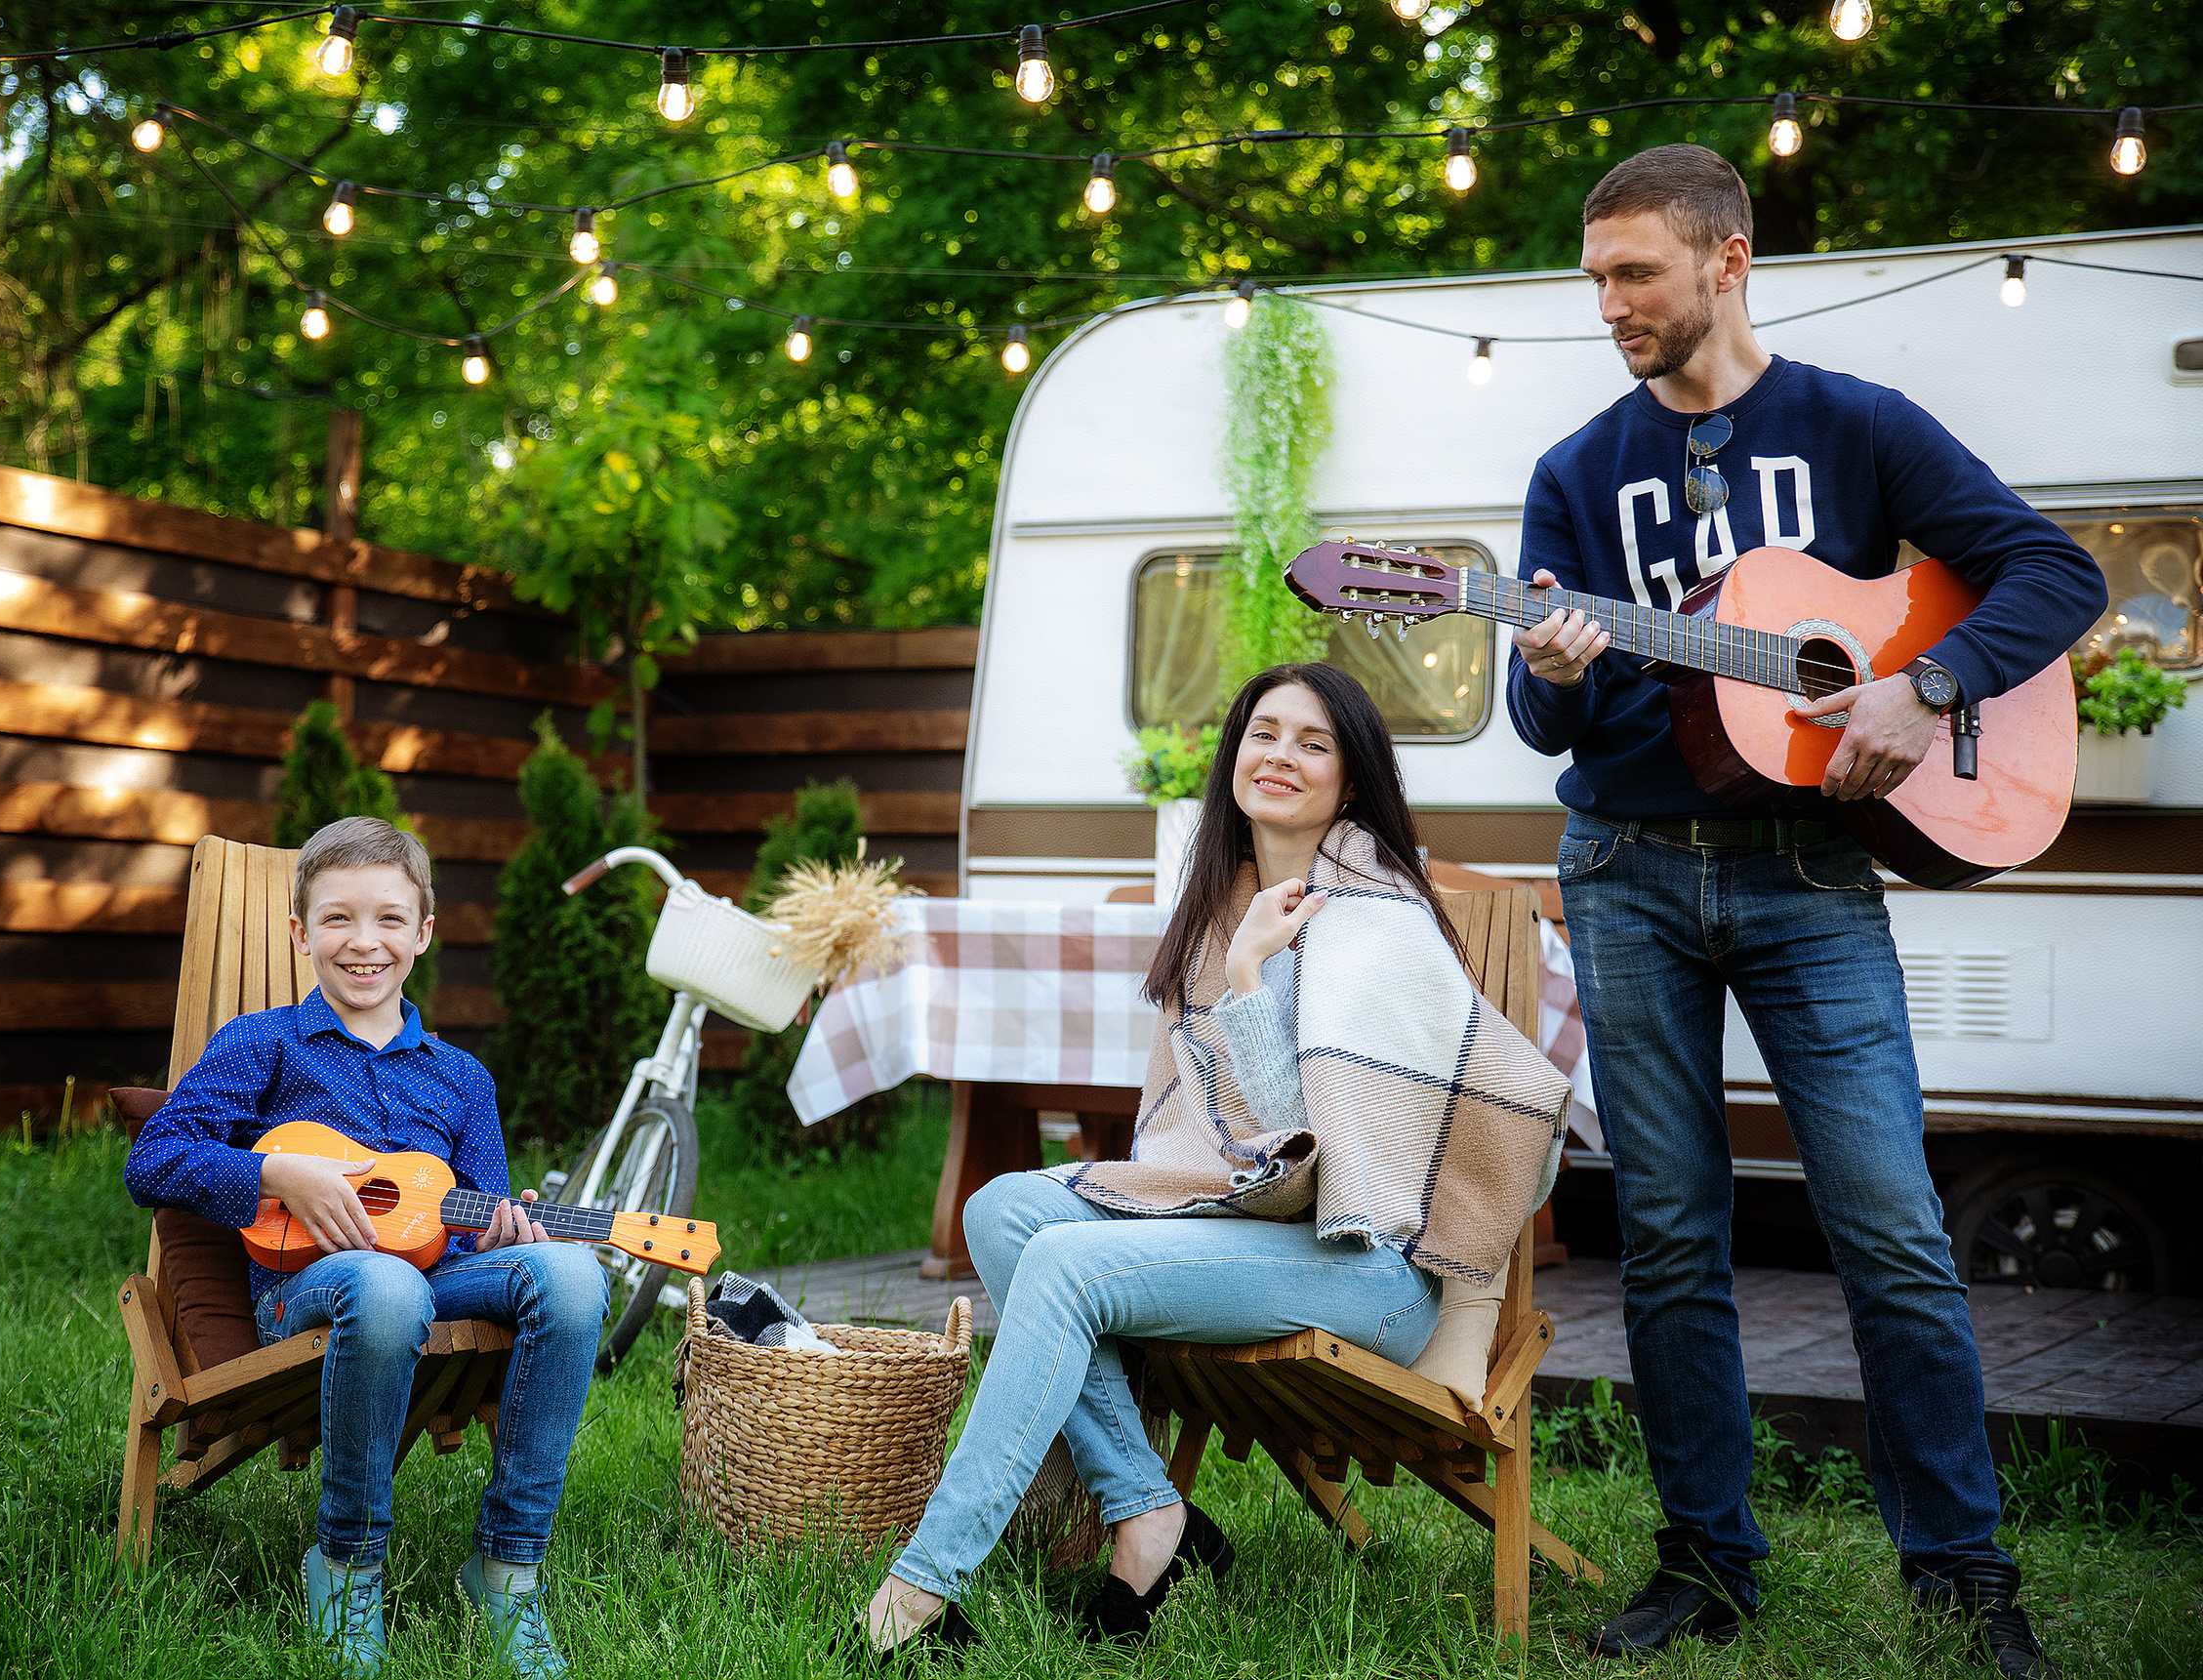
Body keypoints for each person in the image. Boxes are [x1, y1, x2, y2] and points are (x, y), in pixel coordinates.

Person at [1507, 144, 2104, 1680]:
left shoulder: (1856, 428)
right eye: (1597, 279)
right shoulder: (1577, 472)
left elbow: (2054, 571)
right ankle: (1707, 1561)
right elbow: (1546, 732)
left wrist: (1926, 684)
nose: (1612, 306)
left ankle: (1964, 1577)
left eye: (1636, 273)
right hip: (1626, 873)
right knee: (1666, 1234)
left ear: (1729, 260)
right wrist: (1551, 666)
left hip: (1811, 877)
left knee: (1892, 1224)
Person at [855, 662, 1569, 1659]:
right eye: (1263, 731)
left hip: (1369, 1270)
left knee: (1064, 1265)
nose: (1278, 754)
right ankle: (1152, 1512)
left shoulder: (1373, 923)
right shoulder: (1224, 899)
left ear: (1351, 778)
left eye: (1312, 742)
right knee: (1003, 1210)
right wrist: (1237, 959)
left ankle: (917, 1591)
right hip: (1256, 1226)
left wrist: (1248, 979)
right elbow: (1217, 1143)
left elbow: (1309, 1168)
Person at [125, 816, 605, 1679]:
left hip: (435, 1284)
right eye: (338, 918)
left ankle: (507, 1570)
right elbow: (154, 1158)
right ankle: (346, 1565)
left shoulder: (464, 1077)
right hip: (305, 1293)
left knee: (571, 1273)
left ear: (422, 933)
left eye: (389, 918)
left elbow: (471, 1219)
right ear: (302, 932)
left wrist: (508, 1227)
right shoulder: (260, 1042)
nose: (364, 941)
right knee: (383, 1284)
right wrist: (275, 1174)